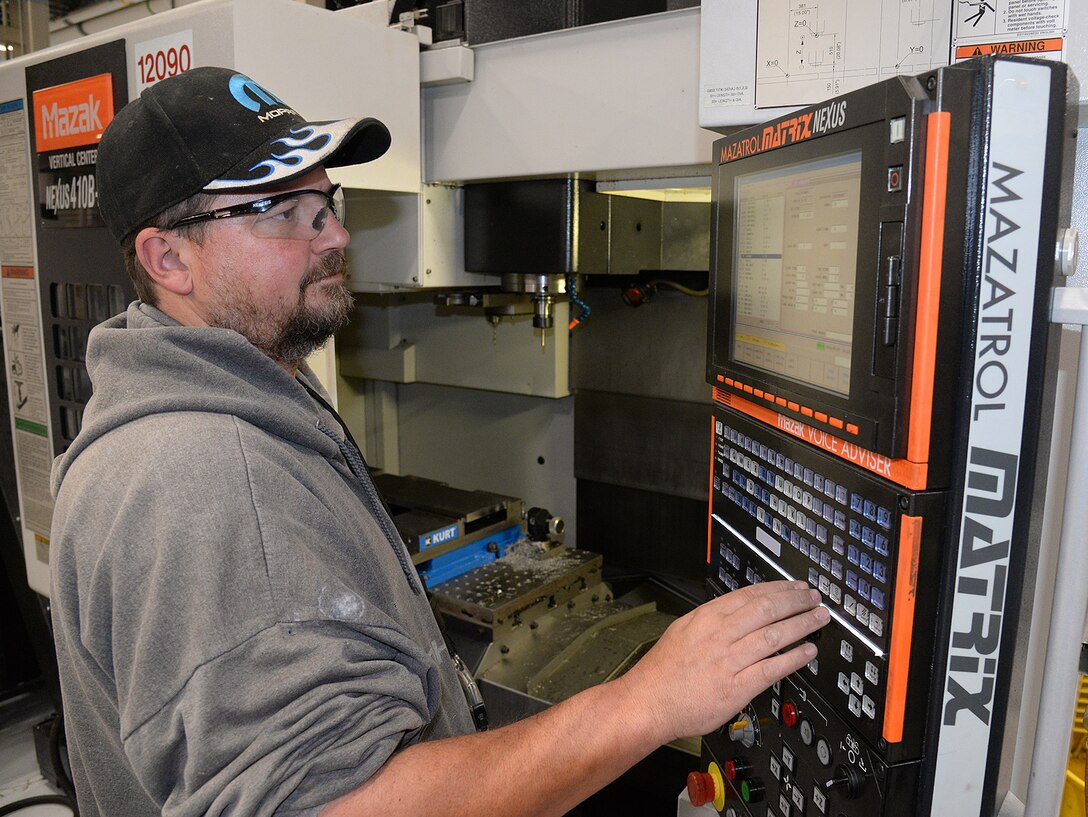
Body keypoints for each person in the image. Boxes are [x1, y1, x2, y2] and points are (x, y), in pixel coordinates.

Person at [49, 66, 829, 817]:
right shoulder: (206, 477)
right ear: (167, 258)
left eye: (327, 202)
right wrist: (650, 700)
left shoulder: (224, 395)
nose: (335, 233)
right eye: (284, 210)